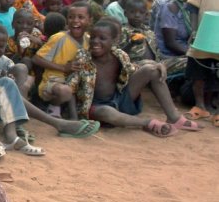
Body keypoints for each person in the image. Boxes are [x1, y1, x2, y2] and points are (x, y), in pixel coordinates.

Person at [72, 20, 202, 136]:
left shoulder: (119, 55)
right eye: (93, 37)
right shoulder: (83, 59)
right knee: (107, 112)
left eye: (102, 38)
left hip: (120, 99)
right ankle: (147, 123)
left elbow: (132, 68)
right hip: (97, 107)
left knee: (153, 71)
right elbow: (72, 85)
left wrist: (156, 64)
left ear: (114, 41)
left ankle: (174, 117)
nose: (95, 41)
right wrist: (73, 118)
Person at [33, 2, 92, 119]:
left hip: (76, 83)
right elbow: (36, 59)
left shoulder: (89, 39)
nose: (75, 20)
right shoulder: (59, 38)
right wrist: (64, 68)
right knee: (65, 91)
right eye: (71, 17)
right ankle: (52, 107)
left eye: (81, 17)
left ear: (90, 20)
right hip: (54, 82)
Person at [183, 0, 219, 123]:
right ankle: (200, 106)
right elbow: (193, 9)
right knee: (198, 72)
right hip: (203, 36)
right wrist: (195, 31)